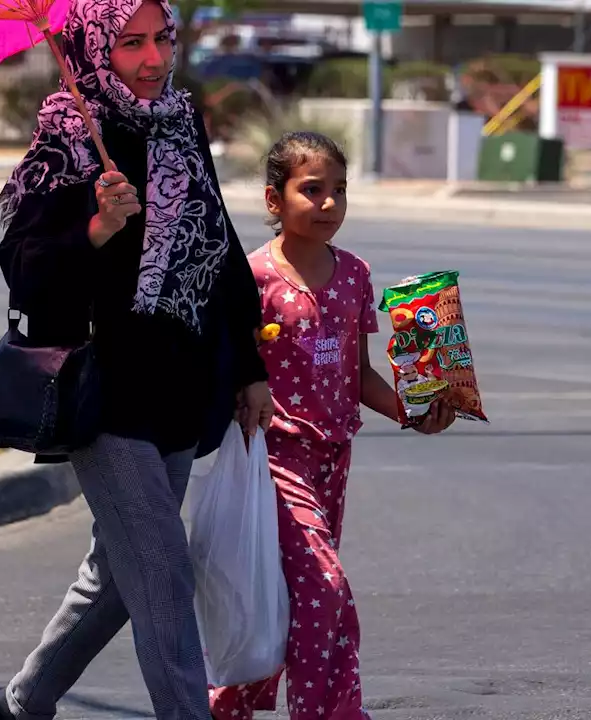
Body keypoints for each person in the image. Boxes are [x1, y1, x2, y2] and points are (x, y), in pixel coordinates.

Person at [0, 0, 274, 718]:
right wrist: (96, 226)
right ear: (94, 47)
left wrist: (248, 368)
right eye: (131, 43)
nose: (152, 58)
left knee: (120, 574)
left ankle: (23, 702)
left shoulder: (180, 122)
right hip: (104, 390)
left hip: (181, 383)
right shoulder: (68, 134)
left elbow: (220, 249)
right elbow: (24, 263)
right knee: (162, 572)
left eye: (162, 39)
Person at [207, 132, 457, 720]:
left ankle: (227, 705)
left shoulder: (354, 275)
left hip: (332, 458)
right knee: (324, 586)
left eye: (338, 191)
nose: (327, 204)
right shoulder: (253, 279)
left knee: (282, 591)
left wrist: (413, 412)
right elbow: (231, 365)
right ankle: (332, 711)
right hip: (273, 455)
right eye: (311, 190)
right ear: (274, 199)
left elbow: (358, 372)